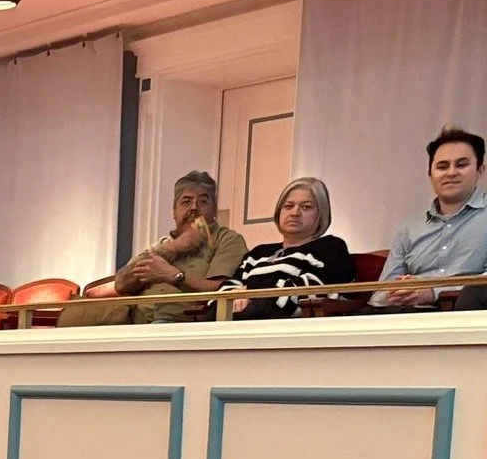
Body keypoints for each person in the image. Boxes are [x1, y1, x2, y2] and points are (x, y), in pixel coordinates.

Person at [62, 172, 247, 326]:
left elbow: (222, 289)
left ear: (214, 211)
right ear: (174, 212)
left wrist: (174, 276)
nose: (194, 208)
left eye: (203, 202)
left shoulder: (228, 239)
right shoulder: (162, 245)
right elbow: (121, 283)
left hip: (180, 323)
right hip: (133, 321)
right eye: (186, 202)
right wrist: (172, 248)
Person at [373, 126, 487, 310]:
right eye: (442, 166)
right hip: (407, 317)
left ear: (480, 170)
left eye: (461, 165)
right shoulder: (409, 231)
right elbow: (378, 295)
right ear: (430, 174)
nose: (451, 173)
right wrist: (397, 292)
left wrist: (433, 292)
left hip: (468, 317)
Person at [226, 177, 356, 319]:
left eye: (306, 207)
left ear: (321, 214)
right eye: (288, 206)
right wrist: (234, 297)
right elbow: (228, 287)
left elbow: (307, 292)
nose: (295, 213)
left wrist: (249, 293)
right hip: (236, 323)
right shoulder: (258, 253)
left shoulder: (331, 247)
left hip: (287, 328)